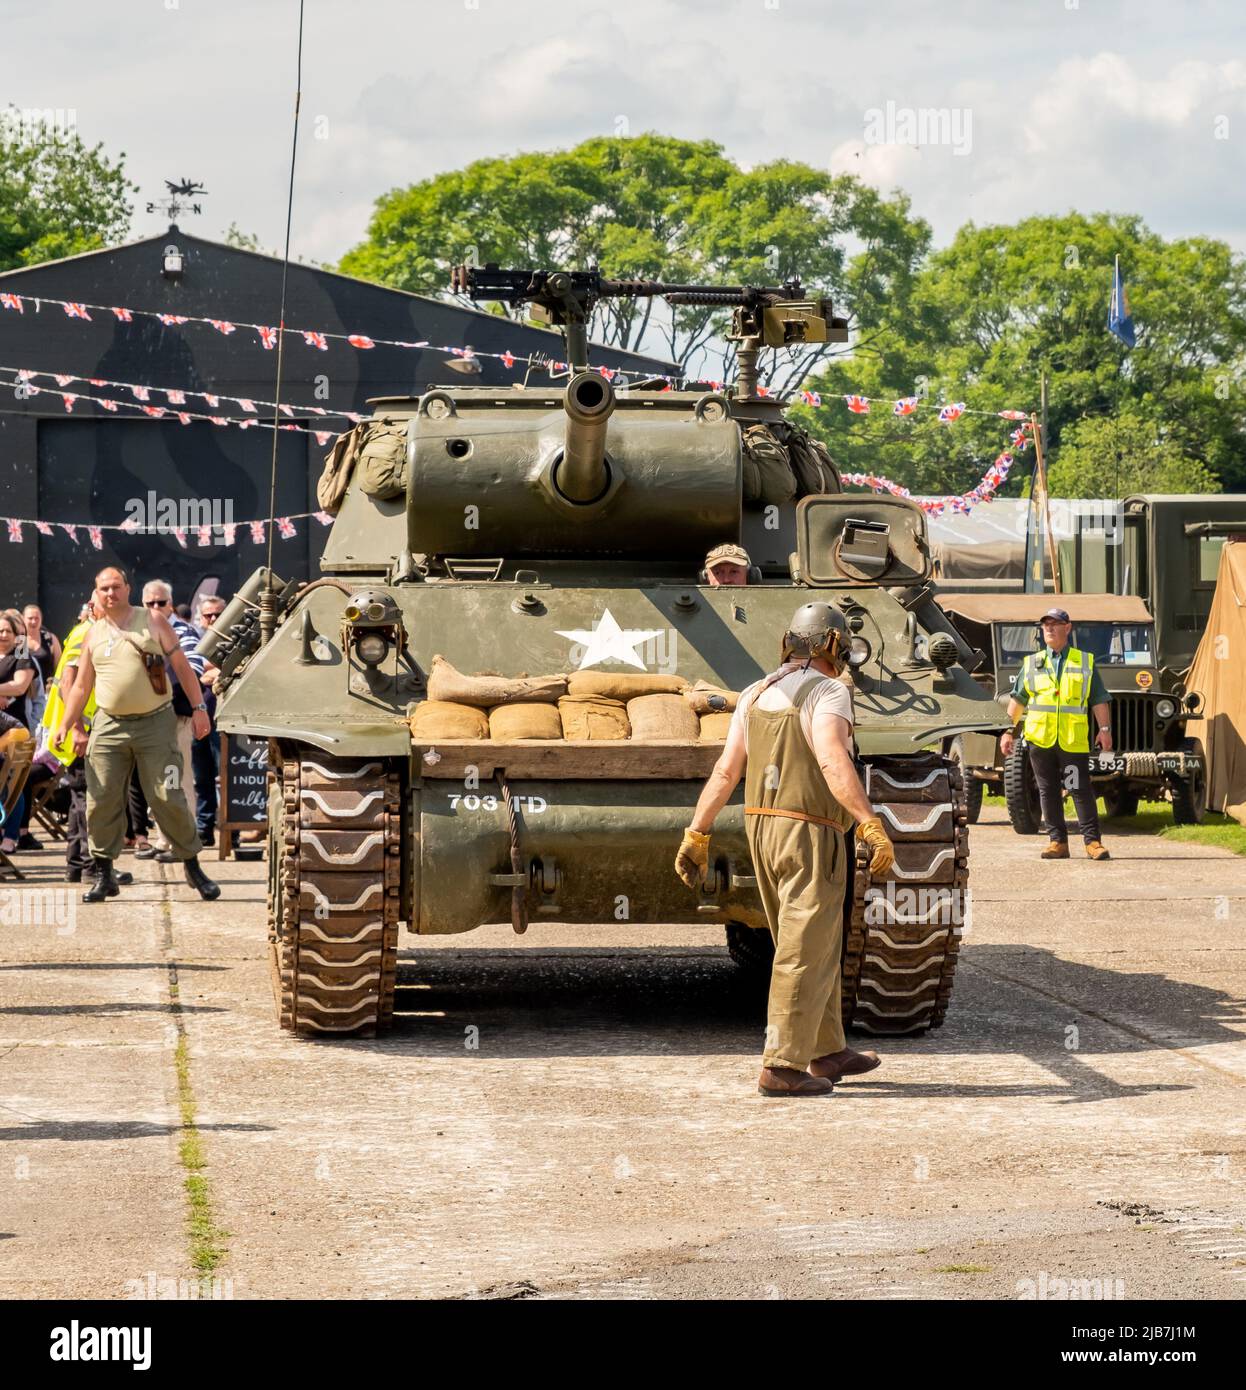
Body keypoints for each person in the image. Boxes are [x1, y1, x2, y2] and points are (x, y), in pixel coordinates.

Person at [675, 602, 896, 1097]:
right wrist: (868, 822)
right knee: (803, 947)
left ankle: (826, 1049)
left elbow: (727, 771)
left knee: (814, 941)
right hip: (811, 831)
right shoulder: (830, 691)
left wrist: (698, 831)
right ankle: (782, 1066)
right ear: (834, 645)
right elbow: (833, 760)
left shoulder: (754, 693)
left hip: (762, 829)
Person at [55, 565, 221, 903]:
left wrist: (200, 709)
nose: (110, 594)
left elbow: (183, 669)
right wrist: (67, 724)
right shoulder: (93, 634)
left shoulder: (154, 621)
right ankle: (104, 875)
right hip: (109, 725)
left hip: (155, 723)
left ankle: (192, 866)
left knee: (167, 796)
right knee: (101, 800)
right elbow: (81, 686)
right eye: (104, 589)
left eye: (116, 586)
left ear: (128, 589)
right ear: (96, 593)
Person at [1000, 607, 1113, 862]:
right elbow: (1017, 700)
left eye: (1055, 623)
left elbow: (1099, 700)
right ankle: (1057, 842)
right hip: (1041, 740)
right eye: (1046, 625)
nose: (1049, 628)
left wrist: (1104, 730)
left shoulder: (1084, 662)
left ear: (1068, 627)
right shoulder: (1032, 663)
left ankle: (1092, 842)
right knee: (1047, 791)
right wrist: (1008, 731)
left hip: (1071, 741)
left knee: (1078, 789)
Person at [140, 580, 207, 862]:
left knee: (179, 780)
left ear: (170, 604)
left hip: (175, 716)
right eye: (150, 603)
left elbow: (193, 668)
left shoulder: (183, 630)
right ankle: (164, 839)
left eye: (161, 603)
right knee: (157, 782)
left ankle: (184, 843)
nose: (156, 608)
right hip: (149, 718)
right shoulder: (140, 630)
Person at [191, 594, 226, 845]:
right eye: (207, 615)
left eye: (217, 614)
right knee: (201, 777)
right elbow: (190, 673)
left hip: (223, 717)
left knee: (226, 775)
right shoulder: (191, 641)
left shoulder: (234, 642)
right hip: (195, 716)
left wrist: (217, 672)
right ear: (199, 618)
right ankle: (204, 828)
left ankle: (230, 829)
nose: (212, 619)